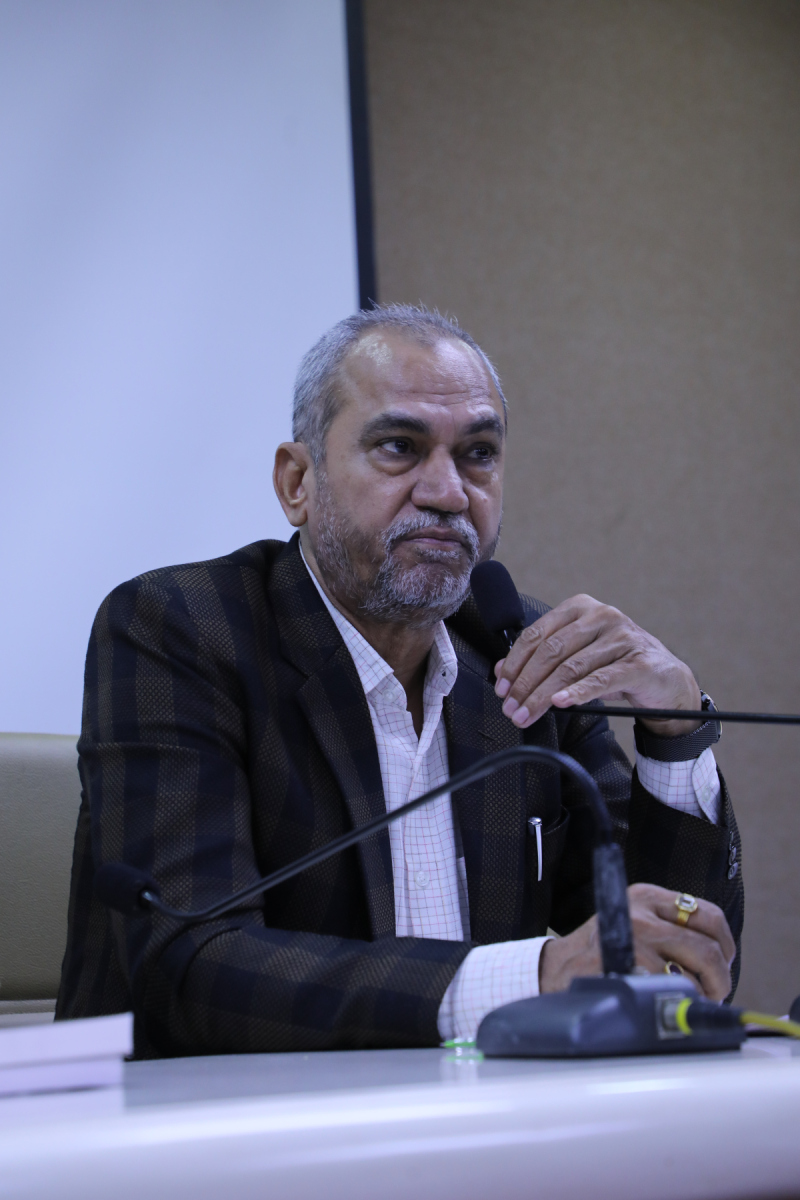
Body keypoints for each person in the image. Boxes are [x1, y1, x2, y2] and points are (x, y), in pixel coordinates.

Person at [57, 305, 742, 1058]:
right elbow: (191, 965)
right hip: (216, 1120)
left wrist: (676, 732)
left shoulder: (523, 652)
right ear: (297, 481)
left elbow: (676, 959)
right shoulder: (181, 628)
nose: (448, 491)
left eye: (478, 454)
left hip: (478, 1113)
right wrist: (533, 975)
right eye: (399, 447)